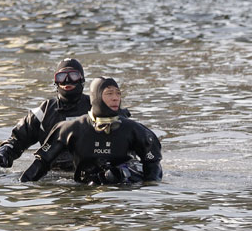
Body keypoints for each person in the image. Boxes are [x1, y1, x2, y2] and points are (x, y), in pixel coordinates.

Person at [19, 77, 162, 184]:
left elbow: (153, 168)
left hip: (124, 191)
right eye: (109, 94)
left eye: (118, 94)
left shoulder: (135, 130)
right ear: (96, 97)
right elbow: (40, 165)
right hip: (85, 190)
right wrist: (21, 189)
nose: (115, 98)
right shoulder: (70, 129)